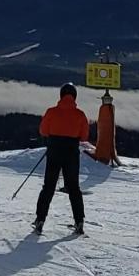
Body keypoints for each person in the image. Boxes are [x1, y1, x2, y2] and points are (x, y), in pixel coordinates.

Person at [33, 83, 90, 235]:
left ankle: (40, 220)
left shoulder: (51, 112)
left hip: (54, 152)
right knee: (74, 188)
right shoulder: (80, 115)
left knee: (49, 187)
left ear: (61, 95)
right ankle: (79, 222)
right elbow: (84, 137)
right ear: (75, 96)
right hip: (71, 153)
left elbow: (43, 131)